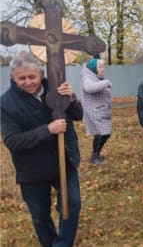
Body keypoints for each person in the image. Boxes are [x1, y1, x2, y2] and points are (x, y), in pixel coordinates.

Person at [0, 51, 83, 247]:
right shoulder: (6, 103)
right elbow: (12, 140)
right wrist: (48, 130)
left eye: (32, 77)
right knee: (40, 216)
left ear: (42, 74)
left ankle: (61, 244)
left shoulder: (57, 90)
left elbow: (78, 115)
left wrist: (71, 98)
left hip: (63, 160)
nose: (28, 82)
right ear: (13, 77)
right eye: (22, 78)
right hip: (31, 168)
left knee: (72, 203)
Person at [80, 57, 112, 164]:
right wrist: (105, 83)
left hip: (99, 109)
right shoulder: (87, 77)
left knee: (100, 133)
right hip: (95, 110)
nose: (102, 69)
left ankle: (95, 155)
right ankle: (94, 156)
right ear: (93, 67)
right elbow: (89, 88)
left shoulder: (95, 76)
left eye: (103, 67)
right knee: (104, 133)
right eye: (99, 67)